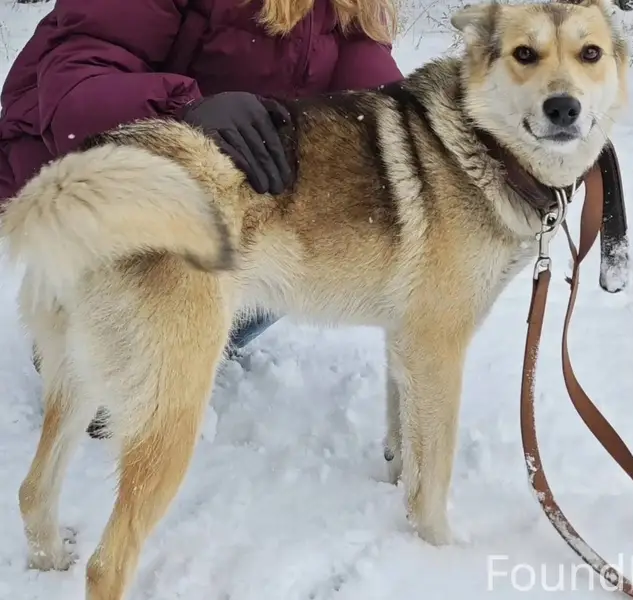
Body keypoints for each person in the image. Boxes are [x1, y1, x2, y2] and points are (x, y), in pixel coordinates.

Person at [1, 0, 403, 438]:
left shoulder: (350, 6)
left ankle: (181, 328)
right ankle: (77, 313)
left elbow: (380, 106)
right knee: (112, 397)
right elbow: (74, 90)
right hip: (87, 171)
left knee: (312, 240)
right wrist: (185, 109)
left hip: (215, 191)